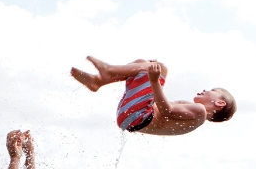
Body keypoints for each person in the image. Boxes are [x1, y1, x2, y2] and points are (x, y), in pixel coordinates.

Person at [71, 56, 236, 135]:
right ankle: (98, 81)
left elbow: (167, 110)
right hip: (130, 119)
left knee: (160, 67)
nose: (205, 90)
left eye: (212, 90)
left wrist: (154, 80)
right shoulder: (194, 115)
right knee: (142, 63)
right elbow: (162, 108)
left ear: (219, 103)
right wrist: (147, 70)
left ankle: (107, 72)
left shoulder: (200, 111)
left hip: (138, 116)